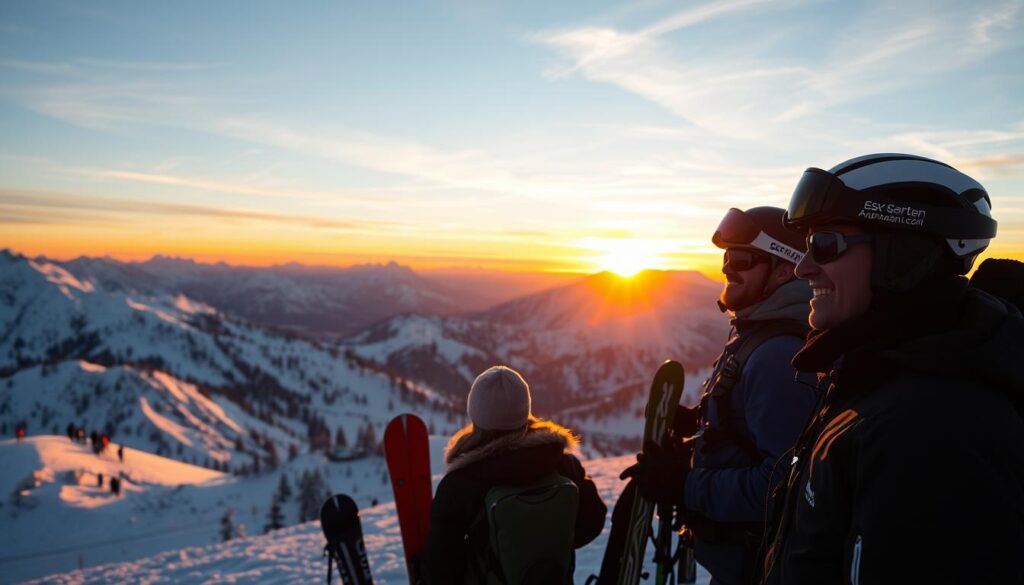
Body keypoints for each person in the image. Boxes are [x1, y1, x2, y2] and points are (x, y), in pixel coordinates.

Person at [761, 153, 1024, 584]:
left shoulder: (934, 431)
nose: (803, 267)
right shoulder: (872, 382)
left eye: (824, 244)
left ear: (902, 255)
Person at [621, 207, 818, 585]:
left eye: (742, 259)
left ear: (783, 270)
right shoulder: (756, 334)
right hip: (741, 561)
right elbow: (754, 428)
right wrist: (703, 421)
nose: (728, 268)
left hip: (758, 567)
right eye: (727, 257)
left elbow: (780, 485)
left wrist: (685, 485)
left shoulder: (778, 356)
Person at [423, 365, 606, 584]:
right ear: (525, 410)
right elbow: (593, 521)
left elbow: (442, 568)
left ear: (476, 416)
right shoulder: (564, 465)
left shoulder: (460, 484)